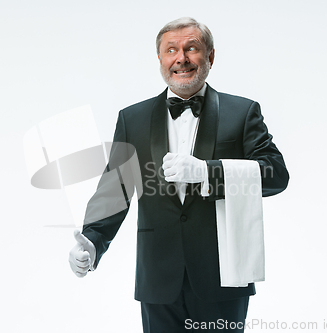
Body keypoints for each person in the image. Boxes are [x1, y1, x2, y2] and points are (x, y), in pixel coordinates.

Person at [68, 17, 289, 332]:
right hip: (158, 278)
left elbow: (276, 174)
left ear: (210, 56)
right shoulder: (133, 118)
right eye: (171, 50)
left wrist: (207, 172)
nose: (180, 58)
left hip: (223, 275)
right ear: (160, 59)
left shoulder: (242, 113)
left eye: (191, 48)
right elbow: (115, 188)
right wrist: (92, 239)